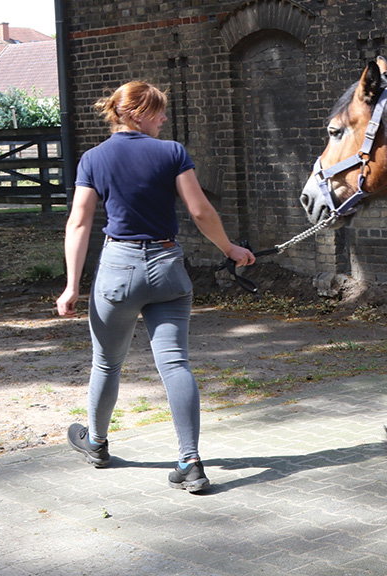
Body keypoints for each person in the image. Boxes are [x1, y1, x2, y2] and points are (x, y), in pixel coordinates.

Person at [56, 81, 254, 493]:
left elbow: (79, 222)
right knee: (176, 364)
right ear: (136, 114)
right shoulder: (172, 153)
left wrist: (71, 285)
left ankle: (96, 443)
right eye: (158, 111)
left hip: (118, 270)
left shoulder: (93, 159)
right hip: (167, 267)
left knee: (107, 363)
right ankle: (190, 462)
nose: (164, 118)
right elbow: (200, 211)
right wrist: (230, 248)